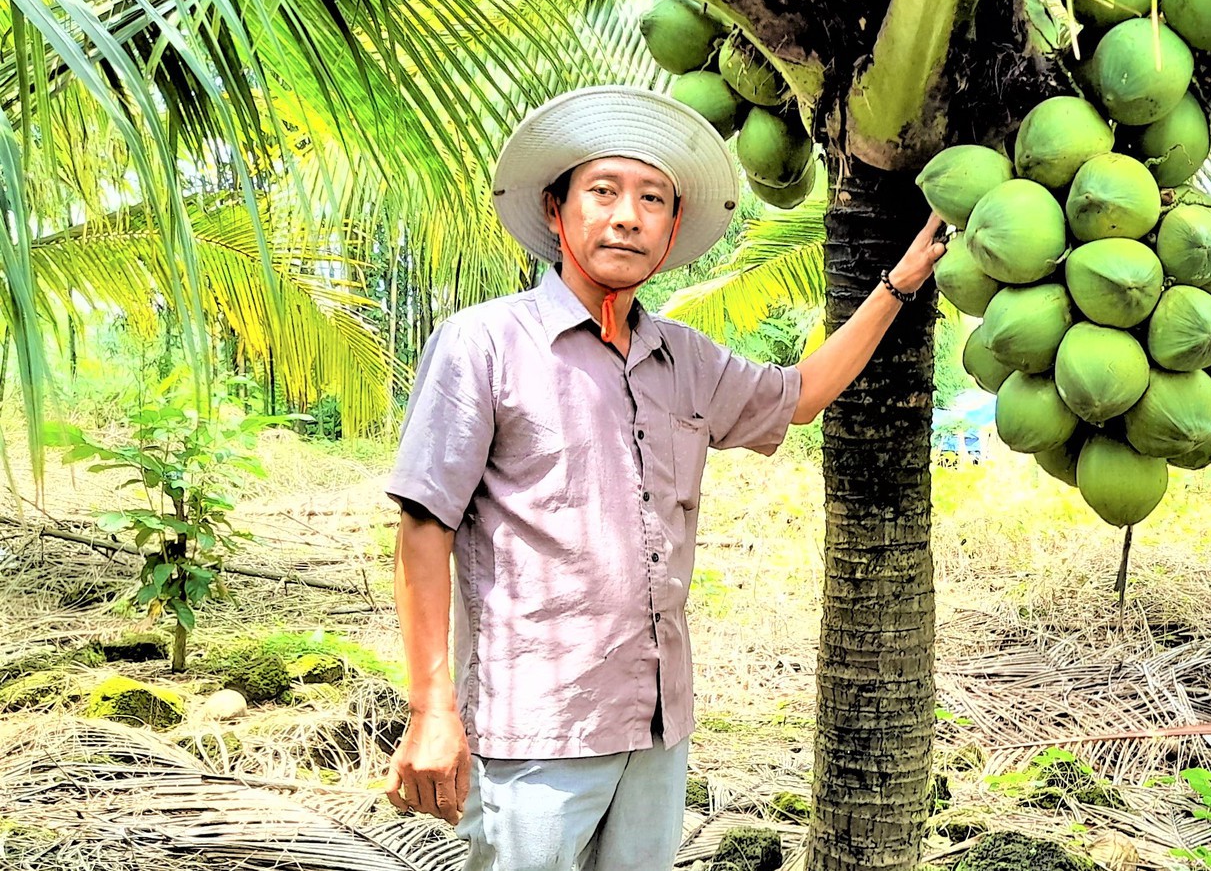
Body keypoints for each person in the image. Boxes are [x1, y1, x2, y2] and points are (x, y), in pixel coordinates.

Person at [380, 85, 945, 871]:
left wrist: (896, 285)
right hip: (535, 724)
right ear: (556, 210)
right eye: (603, 192)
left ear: (673, 226)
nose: (627, 216)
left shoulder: (686, 360)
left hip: (655, 724)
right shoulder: (484, 345)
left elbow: (801, 395)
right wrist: (430, 707)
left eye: (652, 199)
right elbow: (423, 526)